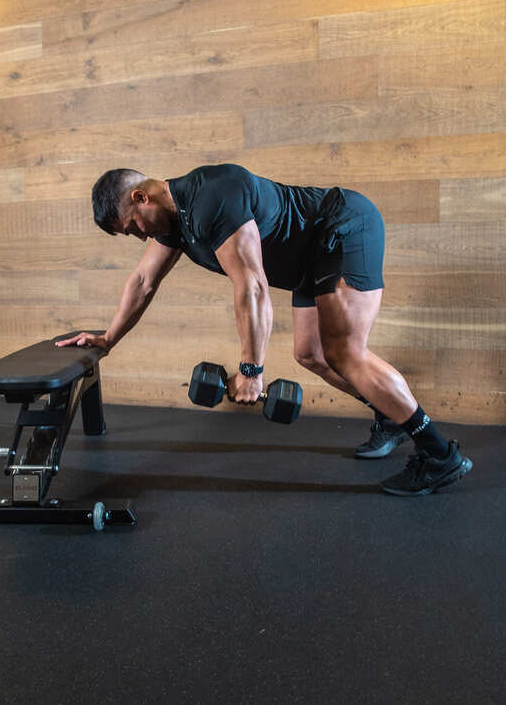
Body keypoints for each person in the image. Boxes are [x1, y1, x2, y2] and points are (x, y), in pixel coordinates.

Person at [56, 164, 473, 496]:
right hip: (312, 257)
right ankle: (390, 415)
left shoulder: (211, 196)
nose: (138, 235)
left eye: (133, 225)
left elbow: (253, 285)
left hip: (343, 225)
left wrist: (251, 370)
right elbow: (143, 282)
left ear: (140, 196)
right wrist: (108, 338)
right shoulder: (176, 224)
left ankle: (439, 455)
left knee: (345, 352)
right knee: (311, 354)